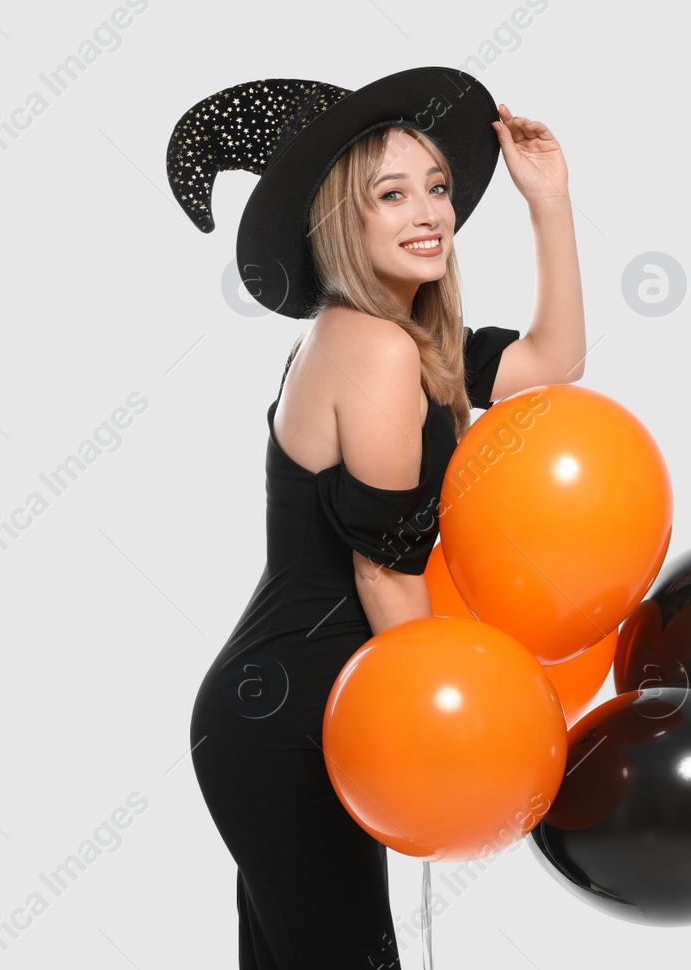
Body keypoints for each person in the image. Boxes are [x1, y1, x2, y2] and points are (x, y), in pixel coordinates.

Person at [168, 66, 585, 969]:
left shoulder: (412, 341)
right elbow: (382, 572)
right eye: (391, 195)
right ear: (342, 222)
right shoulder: (374, 349)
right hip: (290, 722)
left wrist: (547, 200)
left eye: (436, 187)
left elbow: (556, 357)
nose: (428, 211)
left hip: (319, 709)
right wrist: (446, 735)